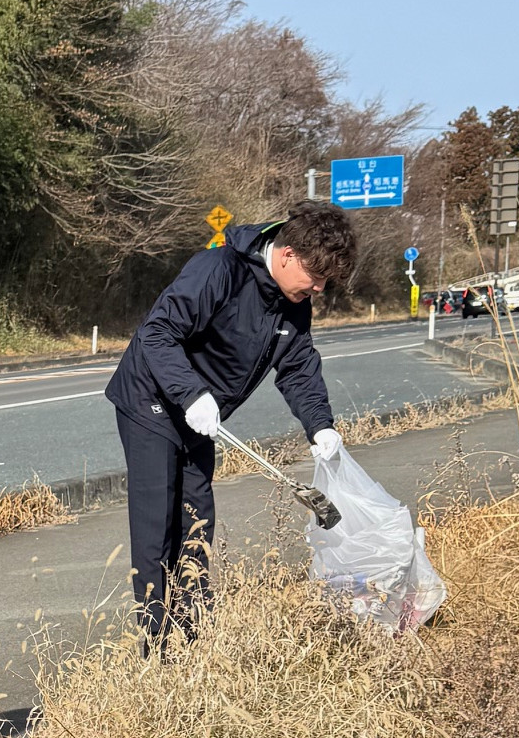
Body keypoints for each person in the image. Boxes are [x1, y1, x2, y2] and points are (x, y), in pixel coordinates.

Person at [104, 203, 358, 642]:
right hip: (151, 398)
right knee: (157, 522)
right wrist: (191, 394)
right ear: (288, 255)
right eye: (315, 276)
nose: (318, 287)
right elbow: (157, 333)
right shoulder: (219, 269)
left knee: (196, 517)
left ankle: (192, 633)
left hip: (199, 414)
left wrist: (320, 425)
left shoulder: (294, 302)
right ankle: (157, 644)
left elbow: (298, 366)